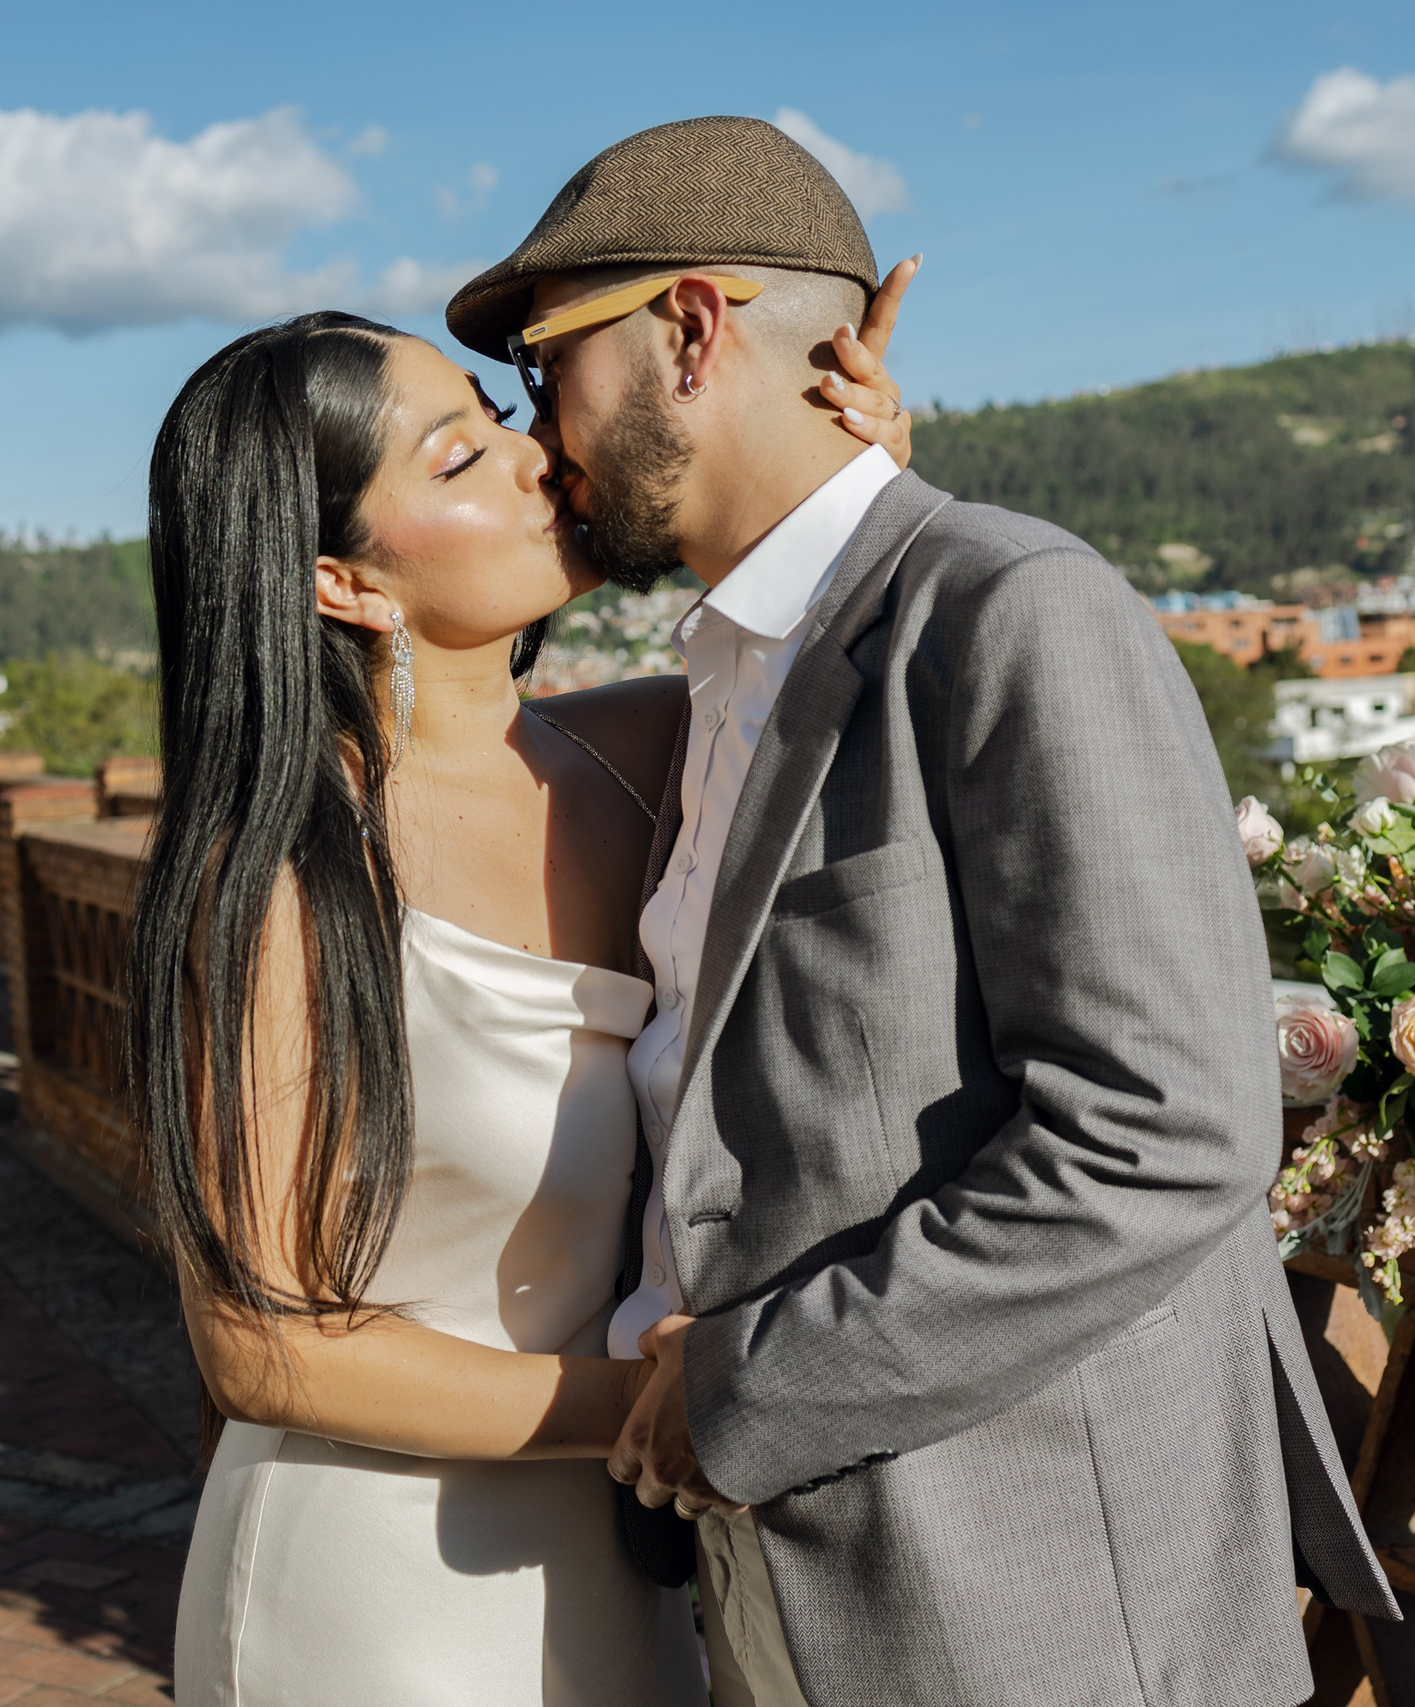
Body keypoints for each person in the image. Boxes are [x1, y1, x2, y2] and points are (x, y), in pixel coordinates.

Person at [442, 115, 1401, 1706]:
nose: (544, 436)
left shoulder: (1013, 610)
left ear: (690, 328)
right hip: (772, 1578)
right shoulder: (716, 681)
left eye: (549, 366)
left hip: (1023, 1610)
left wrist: (745, 1388)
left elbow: (1164, 1135)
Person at [128, 275, 919, 1699]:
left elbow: (858, 666)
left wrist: (852, 476)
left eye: (498, 415)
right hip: (375, 1590)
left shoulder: (646, 759)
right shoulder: (288, 878)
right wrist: (677, 1405)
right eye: (457, 456)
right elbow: (262, 1346)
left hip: (619, 1564)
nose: (532, 453)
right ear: (343, 581)